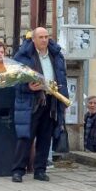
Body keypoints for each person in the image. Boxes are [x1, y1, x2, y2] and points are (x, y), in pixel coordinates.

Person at [11, 27, 68, 183]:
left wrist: (64, 99)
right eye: (41, 37)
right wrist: (27, 87)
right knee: (25, 136)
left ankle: (40, 170)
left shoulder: (56, 55)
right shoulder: (23, 55)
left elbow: (62, 78)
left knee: (45, 137)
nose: (44, 40)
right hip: (32, 100)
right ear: (33, 39)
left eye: (46, 37)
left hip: (51, 100)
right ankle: (18, 170)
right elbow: (14, 80)